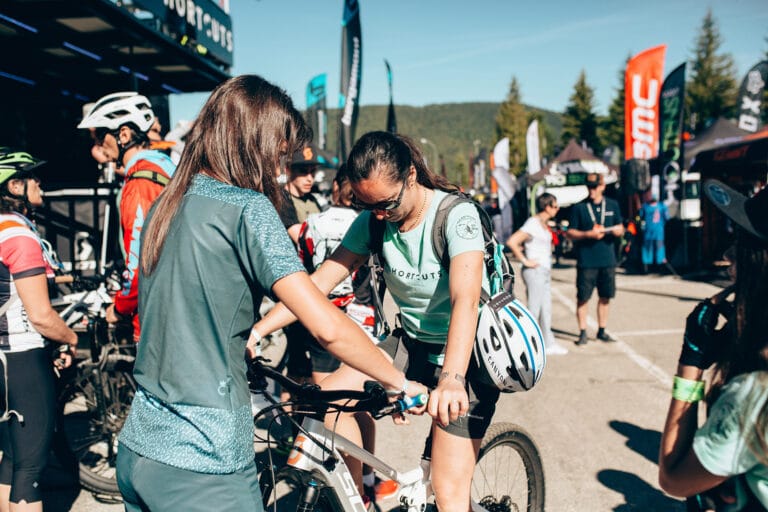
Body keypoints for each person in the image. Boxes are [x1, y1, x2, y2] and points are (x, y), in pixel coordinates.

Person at [114, 76, 425, 511]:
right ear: (254, 142)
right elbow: (326, 324)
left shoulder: (167, 204)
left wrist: (244, 339)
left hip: (138, 449)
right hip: (204, 464)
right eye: (277, 154)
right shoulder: (246, 209)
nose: (277, 170)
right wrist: (398, 381)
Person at [255, 131, 499, 512]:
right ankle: (359, 500)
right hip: (413, 343)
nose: (380, 215)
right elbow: (314, 287)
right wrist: (259, 330)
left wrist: (451, 382)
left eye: (387, 204)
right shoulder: (372, 221)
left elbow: (464, 301)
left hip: (465, 353)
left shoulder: (456, 215)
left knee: (450, 496)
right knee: (330, 403)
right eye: (369, 206)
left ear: (412, 176)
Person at [659, 180, 768, 510]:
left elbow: (674, 479)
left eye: (740, 245)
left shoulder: (753, 396)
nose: (727, 255)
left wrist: (691, 362)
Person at [0, 150, 78, 512]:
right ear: (15, 185)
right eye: (33, 178)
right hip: (23, 360)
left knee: (10, 459)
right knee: (29, 469)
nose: (40, 184)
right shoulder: (18, 233)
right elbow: (42, 315)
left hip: (2, 361)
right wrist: (71, 338)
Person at [77, 92, 176, 342]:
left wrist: (119, 308)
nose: (99, 145)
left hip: (157, 318)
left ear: (123, 135)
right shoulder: (167, 168)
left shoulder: (140, 183)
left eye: (102, 135)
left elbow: (140, 262)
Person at [566, 172, 624, 346]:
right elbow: (570, 232)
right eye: (589, 187)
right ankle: (583, 331)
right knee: (583, 297)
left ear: (602, 186)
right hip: (587, 260)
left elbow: (620, 226)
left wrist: (617, 231)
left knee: (605, 296)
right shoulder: (579, 208)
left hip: (607, 259)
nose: (591, 190)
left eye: (595, 187)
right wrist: (587, 234)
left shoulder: (612, 205)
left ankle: (602, 330)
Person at [506, 192, 568, 355]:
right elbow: (512, 241)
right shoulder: (533, 223)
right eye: (554, 206)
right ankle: (527, 345)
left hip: (544, 271)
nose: (557, 209)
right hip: (535, 271)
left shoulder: (543, 224)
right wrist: (525, 260)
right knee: (534, 310)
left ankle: (547, 343)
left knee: (545, 309)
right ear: (547, 207)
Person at [638, 190, 669, 274]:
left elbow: (666, 218)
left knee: (659, 249)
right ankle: (647, 267)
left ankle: (659, 266)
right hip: (650, 232)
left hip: (657, 232)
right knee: (648, 249)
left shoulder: (661, 206)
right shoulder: (646, 207)